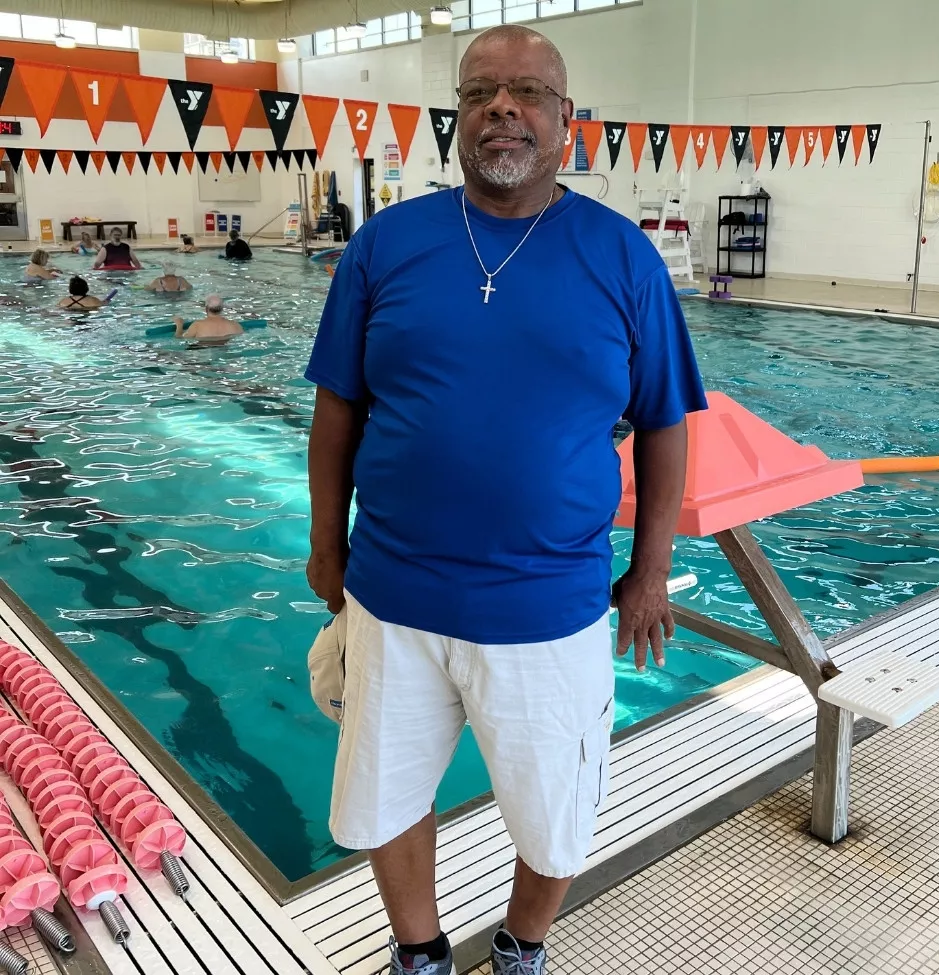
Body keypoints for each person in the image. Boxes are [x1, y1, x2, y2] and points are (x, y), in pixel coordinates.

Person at [304, 24, 707, 975]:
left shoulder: (623, 258)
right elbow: (336, 411)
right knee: (387, 793)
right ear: (457, 116)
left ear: (567, 122)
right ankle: (419, 952)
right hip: (393, 595)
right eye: (482, 91)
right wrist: (327, 544)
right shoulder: (384, 245)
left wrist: (647, 572)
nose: (502, 108)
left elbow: (664, 424)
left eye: (527, 93)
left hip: (549, 604)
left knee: (554, 807)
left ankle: (522, 943)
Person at [174, 294, 243, 344]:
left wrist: (179, 325)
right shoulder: (235, 325)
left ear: (206, 309)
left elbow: (179, 338)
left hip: (203, 352)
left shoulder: (198, 325)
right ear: (222, 309)